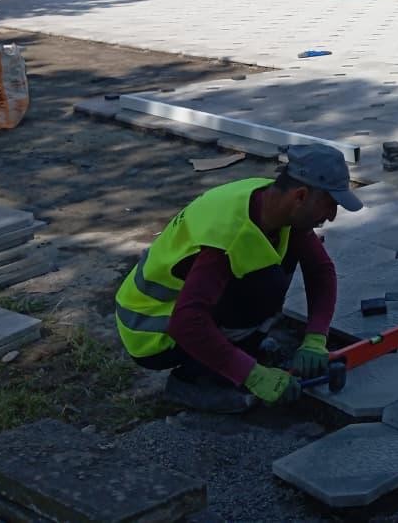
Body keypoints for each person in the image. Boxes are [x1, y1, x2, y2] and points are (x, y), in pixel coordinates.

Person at [114, 144, 362, 413]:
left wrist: (316, 337)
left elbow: (320, 270)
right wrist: (253, 375)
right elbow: (186, 322)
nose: (332, 216)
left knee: (274, 269)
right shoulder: (227, 238)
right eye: (329, 204)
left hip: (179, 310)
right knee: (265, 284)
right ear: (301, 195)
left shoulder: (274, 202)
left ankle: (241, 346)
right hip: (150, 330)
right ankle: (192, 379)